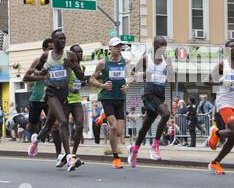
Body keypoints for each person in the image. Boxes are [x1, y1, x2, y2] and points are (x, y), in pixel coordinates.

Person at [27, 29, 85, 172]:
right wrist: (41, 73)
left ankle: (35, 140)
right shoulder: (46, 56)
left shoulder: (70, 55)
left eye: (64, 38)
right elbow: (34, 71)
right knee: (63, 122)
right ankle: (70, 157)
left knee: (48, 126)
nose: (63, 41)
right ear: (53, 41)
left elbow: (81, 76)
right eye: (60, 38)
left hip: (64, 94)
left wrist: (72, 66)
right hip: (52, 93)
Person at [205, 40, 234, 174]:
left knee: (233, 138)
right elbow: (206, 80)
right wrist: (221, 81)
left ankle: (215, 162)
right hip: (223, 102)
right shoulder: (222, 65)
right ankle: (216, 133)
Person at [128, 36, 174, 167]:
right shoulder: (146, 60)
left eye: (165, 45)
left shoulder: (167, 61)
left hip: (160, 96)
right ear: (154, 46)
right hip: (148, 95)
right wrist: (142, 75)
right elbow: (131, 73)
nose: (163, 48)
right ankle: (155, 146)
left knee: (146, 126)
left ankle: (134, 149)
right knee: (165, 114)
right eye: (160, 45)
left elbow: (170, 77)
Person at [90, 37, 130, 169]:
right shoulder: (103, 63)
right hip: (107, 98)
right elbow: (92, 79)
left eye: (120, 46)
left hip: (120, 99)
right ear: (110, 48)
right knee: (113, 128)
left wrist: (127, 85)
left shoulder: (126, 62)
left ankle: (103, 118)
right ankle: (116, 158)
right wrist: (102, 85)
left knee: (119, 131)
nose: (119, 48)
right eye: (116, 46)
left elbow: (131, 76)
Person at [23, 39, 62, 154]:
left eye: (53, 48)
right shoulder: (37, 61)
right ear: (44, 50)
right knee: (31, 127)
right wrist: (41, 77)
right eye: (50, 48)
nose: (52, 50)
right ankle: (33, 136)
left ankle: (59, 155)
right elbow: (25, 78)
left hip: (50, 98)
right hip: (36, 98)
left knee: (55, 125)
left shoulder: (56, 62)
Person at [63, 45, 87, 160]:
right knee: (64, 126)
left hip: (76, 99)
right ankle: (66, 153)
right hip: (65, 99)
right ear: (72, 53)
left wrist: (84, 83)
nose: (80, 54)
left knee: (80, 125)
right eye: (78, 52)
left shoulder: (82, 67)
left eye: (81, 52)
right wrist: (69, 89)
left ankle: (74, 152)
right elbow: (59, 82)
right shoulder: (66, 64)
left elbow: (80, 81)